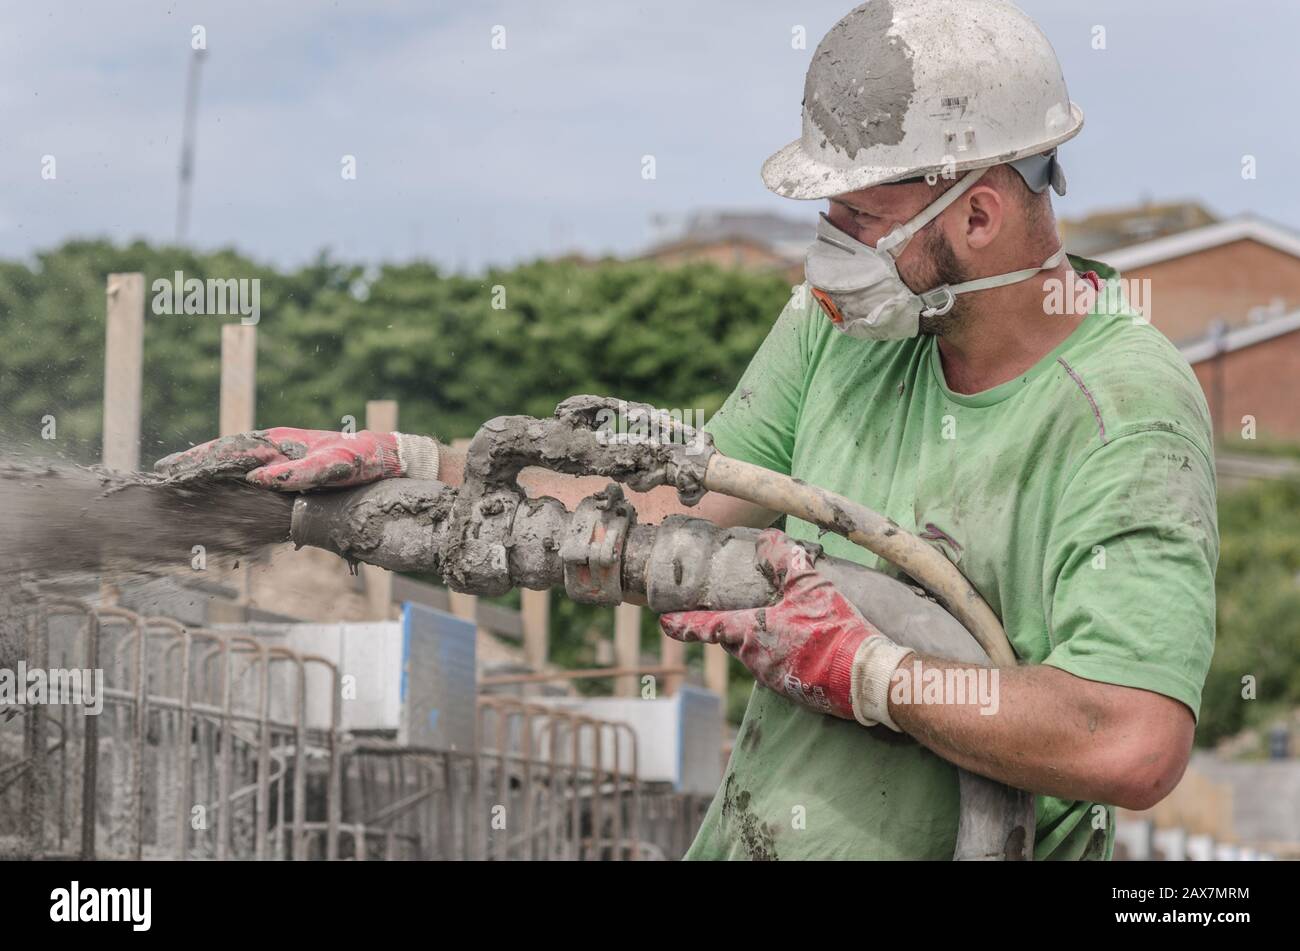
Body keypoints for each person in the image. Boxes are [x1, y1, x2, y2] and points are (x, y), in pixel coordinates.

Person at [157, 0, 1218, 860]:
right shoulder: (839, 330)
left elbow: (1129, 739)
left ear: (977, 215)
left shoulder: (1123, 409)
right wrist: (420, 467)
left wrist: (875, 675)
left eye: (855, 217)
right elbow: (677, 507)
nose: (825, 250)